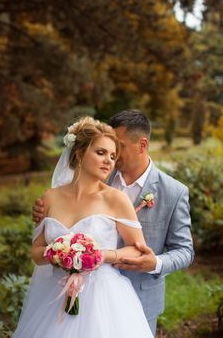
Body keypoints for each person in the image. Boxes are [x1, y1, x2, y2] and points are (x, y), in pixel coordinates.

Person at [33, 110, 194, 337]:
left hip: (133, 296)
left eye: (118, 148)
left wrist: (155, 263)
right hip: (63, 292)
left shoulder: (174, 192)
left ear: (142, 144)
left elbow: (185, 250)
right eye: (105, 151)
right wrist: (47, 220)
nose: (112, 157)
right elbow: (60, 217)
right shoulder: (93, 174)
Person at [14, 116, 153, 338]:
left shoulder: (116, 199)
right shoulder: (50, 198)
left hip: (103, 298)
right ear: (79, 153)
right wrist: (58, 253)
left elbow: (137, 248)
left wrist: (100, 255)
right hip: (54, 295)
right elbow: (36, 253)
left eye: (113, 156)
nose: (108, 160)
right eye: (101, 152)